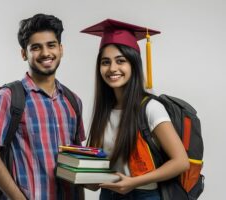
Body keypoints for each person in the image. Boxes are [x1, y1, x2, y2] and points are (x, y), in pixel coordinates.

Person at [0, 13, 85, 200]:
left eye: (51, 45)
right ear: (23, 53)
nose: (45, 53)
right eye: (36, 47)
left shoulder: (73, 101)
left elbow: (77, 157)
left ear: (61, 49)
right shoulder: (7, 98)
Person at [81, 19, 190, 200]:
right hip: (109, 195)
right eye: (105, 62)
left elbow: (181, 162)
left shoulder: (150, 108)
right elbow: (99, 172)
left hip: (145, 195)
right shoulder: (104, 112)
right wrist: (81, 175)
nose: (112, 68)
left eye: (120, 61)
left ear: (134, 64)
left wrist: (133, 182)